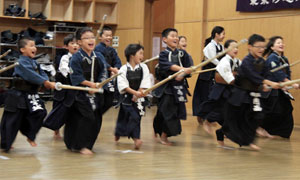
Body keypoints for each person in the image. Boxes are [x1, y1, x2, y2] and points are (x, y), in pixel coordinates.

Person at [220, 34, 281, 150]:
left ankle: (248, 140)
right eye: (258, 47)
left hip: (253, 95)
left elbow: (267, 74)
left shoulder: (263, 62)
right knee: (237, 118)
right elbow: (253, 76)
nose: (261, 49)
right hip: (240, 95)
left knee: (257, 116)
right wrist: (267, 83)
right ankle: (227, 134)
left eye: (263, 47)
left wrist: (269, 85)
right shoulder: (246, 61)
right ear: (249, 47)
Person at [65, 27, 117, 155]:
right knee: (86, 117)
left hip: (97, 93)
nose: (91, 40)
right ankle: (79, 145)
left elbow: (104, 71)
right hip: (80, 94)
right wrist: (90, 85)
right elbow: (75, 77)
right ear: (79, 42)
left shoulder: (98, 56)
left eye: (92, 37)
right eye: (86, 38)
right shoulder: (76, 58)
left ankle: (88, 144)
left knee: (96, 119)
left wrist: (99, 85)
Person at [0, 37, 56, 152]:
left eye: (34, 46)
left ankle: (30, 135)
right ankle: (6, 144)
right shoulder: (20, 63)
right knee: (12, 120)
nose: (34, 48)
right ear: (22, 49)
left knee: (40, 113)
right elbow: (30, 75)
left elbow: (42, 73)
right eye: (31, 45)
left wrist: (46, 81)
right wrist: (44, 82)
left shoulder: (35, 62)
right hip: (17, 95)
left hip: (31, 95)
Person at [153, 28, 192, 145]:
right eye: (172, 36)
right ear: (164, 39)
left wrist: (184, 73)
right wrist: (182, 70)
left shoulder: (183, 53)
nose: (176, 38)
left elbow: (190, 67)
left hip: (179, 88)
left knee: (175, 112)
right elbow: (167, 65)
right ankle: (161, 133)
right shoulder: (163, 54)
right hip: (166, 88)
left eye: (177, 36)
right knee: (165, 112)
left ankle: (163, 133)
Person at [198, 39, 241, 135]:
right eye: (232, 47)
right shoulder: (224, 62)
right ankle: (208, 121)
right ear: (225, 49)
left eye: (237, 47)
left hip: (230, 89)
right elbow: (230, 79)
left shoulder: (237, 61)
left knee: (228, 111)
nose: (235, 49)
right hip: (221, 89)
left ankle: (224, 130)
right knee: (221, 109)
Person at [260, 36, 299, 138]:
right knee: (273, 111)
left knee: (287, 110)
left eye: (282, 42)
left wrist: (288, 85)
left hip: (281, 90)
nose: (281, 44)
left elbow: (287, 73)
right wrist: (291, 83)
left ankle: (282, 133)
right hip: (272, 90)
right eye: (278, 43)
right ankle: (258, 126)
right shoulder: (272, 58)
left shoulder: (284, 59)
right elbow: (278, 73)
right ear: (272, 47)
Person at [114, 44, 151, 149]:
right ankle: (134, 138)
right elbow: (123, 85)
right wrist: (134, 93)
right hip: (127, 97)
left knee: (136, 117)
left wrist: (139, 93)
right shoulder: (123, 69)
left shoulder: (144, 67)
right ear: (131, 55)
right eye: (140, 53)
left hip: (139, 97)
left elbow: (145, 82)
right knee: (129, 116)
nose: (142, 56)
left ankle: (130, 136)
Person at [43, 34, 79, 139]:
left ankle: (70, 131)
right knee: (59, 108)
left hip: (74, 88)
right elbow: (64, 70)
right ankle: (56, 130)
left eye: (77, 43)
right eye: (72, 43)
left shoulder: (80, 57)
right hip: (63, 88)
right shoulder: (65, 57)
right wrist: (75, 74)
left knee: (72, 110)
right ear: (66, 47)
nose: (75, 45)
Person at [192, 26, 225, 127]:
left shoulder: (221, 47)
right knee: (205, 95)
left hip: (216, 74)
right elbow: (213, 60)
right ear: (216, 34)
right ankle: (202, 115)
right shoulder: (210, 46)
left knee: (213, 96)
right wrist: (223, 66)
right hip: (206, 75)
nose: (224, 36)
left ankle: (210, 116)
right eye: (222, 34)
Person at [95, 26, 121, 114]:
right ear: (100, 37)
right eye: (107, 35)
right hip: (100, 78)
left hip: (110, 78)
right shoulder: (97, 49)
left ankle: (97, 115)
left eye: (110, 36)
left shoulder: (112, 49)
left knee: (110, 100)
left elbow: (117, 61)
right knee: (101, 101)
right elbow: (101, 62)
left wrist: (116, 68)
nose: (109, 38)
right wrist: (111, 69)